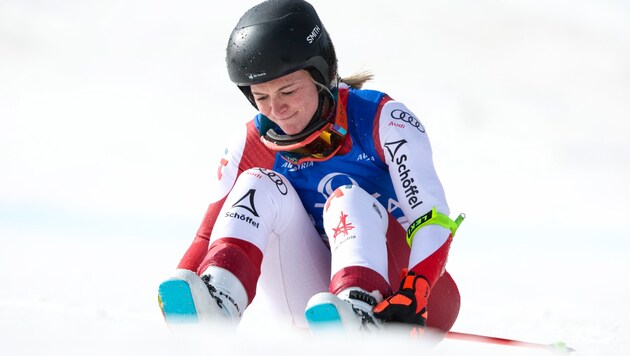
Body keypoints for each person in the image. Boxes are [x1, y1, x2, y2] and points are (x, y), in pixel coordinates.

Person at [158, 0, 464, 339]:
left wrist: (416, 291)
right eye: (261, 97)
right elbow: (206, 236)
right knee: (256, 182)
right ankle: (220, 303)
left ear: (323, 75)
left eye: (288, 90)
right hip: (318, 303)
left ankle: (358, 309)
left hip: (411, 299)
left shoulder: (383, 120)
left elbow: (433, 218)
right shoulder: (252, 143)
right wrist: (183, 298)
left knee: (346, 199)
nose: (277, 109)